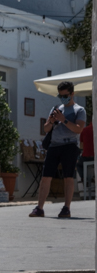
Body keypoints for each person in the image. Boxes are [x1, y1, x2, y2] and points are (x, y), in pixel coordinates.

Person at [31, 80, 86, 219]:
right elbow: (46, 129)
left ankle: (66, 208)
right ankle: (39, 208)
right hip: (54, 145)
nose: (62, 98)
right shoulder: (56, 108)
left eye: (65, 95)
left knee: (68, 177)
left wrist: (63, 120)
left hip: (70, 145)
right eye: (60, 96)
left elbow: (78, 129)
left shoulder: (79, 110)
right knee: (45, 177)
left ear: (72, 94)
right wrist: (51, 121)